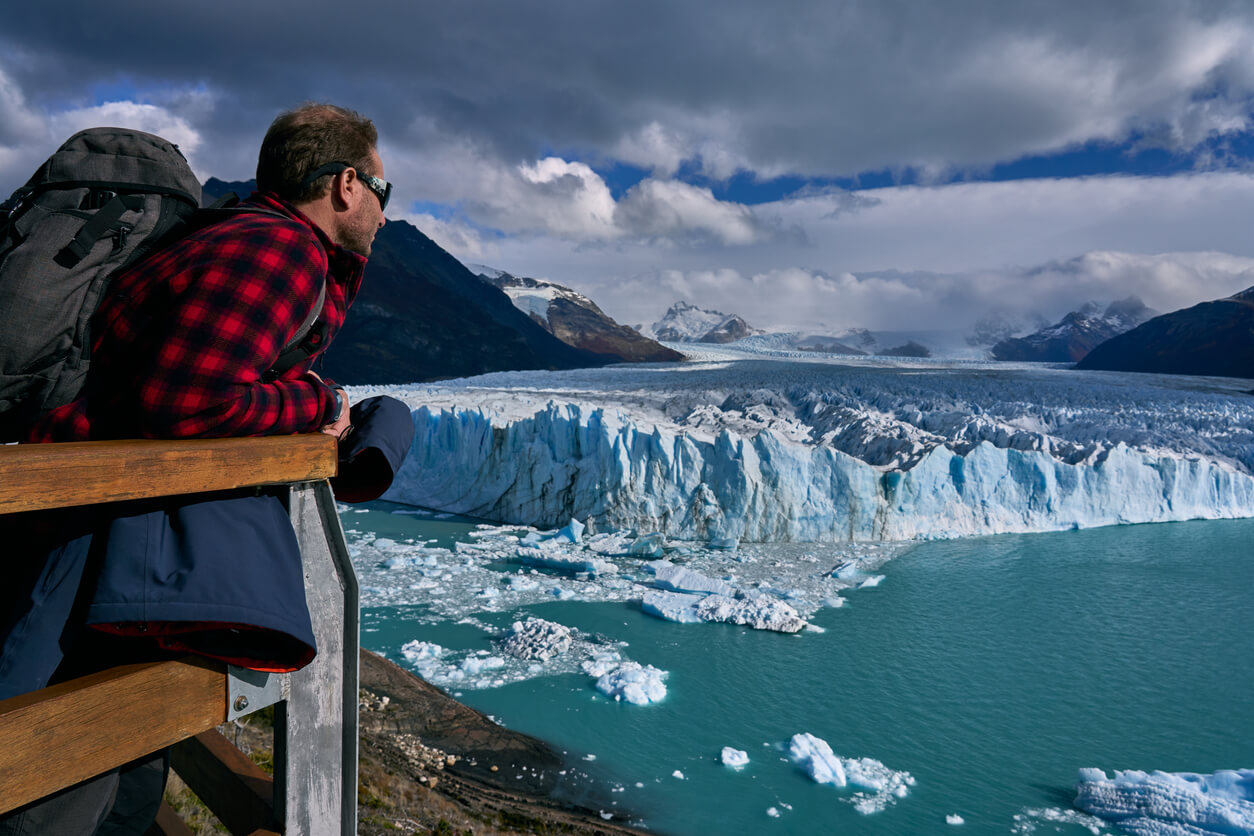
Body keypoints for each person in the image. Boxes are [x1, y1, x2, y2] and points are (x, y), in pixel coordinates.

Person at [0, 103, 390, 835]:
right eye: (381, 191)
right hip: (91, 528)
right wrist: (316, 400)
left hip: (100, 519)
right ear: (345, 184)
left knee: (115, 764)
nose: (381, 210)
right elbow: (186, 401)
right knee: (52, 774)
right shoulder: (279, 251)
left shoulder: (236, 234)